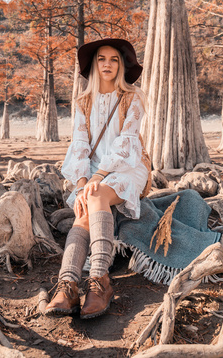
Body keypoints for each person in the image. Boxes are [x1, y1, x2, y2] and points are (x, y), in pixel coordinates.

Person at [45, 38, 150, 319]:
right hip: (91, 172)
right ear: (94, 64)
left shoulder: (133, 97)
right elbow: (79, 144)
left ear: (121, 65)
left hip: (128, 166)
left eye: (114, 59)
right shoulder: (82, 102)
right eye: (102, 59)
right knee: (82, 211)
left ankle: (100, 279)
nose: (107, 64)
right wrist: (81, 183)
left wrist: (99, 177)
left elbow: (127, 142)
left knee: (98, 194)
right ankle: (67, 285)